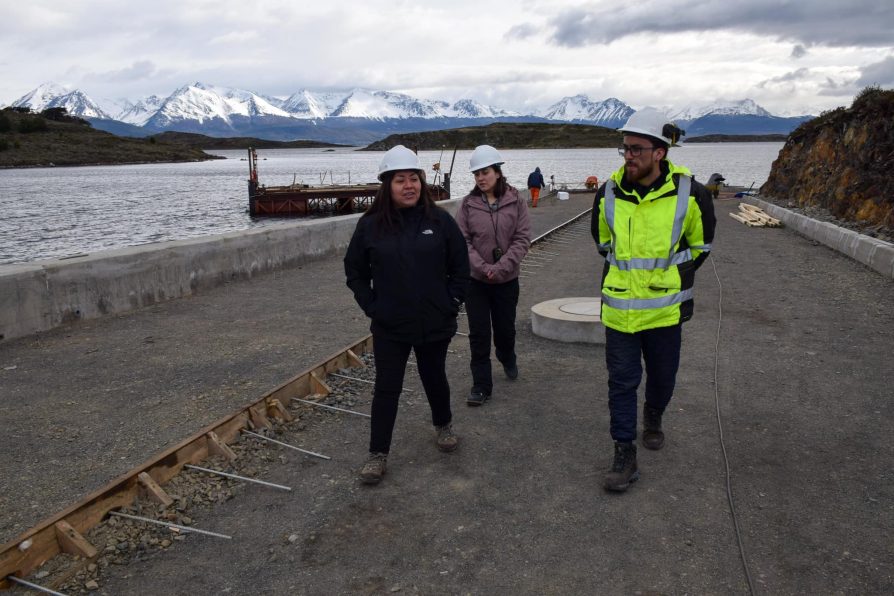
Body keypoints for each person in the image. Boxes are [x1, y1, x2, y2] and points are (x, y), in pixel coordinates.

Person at [590, 109, 716, 492]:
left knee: (662, 377)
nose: (628, 156)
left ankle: (655, 415)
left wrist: (665, 281)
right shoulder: (608, 192)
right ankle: (624, 451)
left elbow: (701, 246)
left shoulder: (690, 193)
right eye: (625, 149)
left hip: (665, 312)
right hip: (619, 312)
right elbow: (603, 243)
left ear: (660, 152)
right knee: (622, 383)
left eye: (636, 149)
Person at [344, 145, 470, 485]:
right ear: (387, 185)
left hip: (435, 320)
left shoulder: (439, 221)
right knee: (387, 387)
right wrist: (373, 306)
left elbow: (460, 265)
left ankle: (443, 426)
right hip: (390, 324)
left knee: (434, 376)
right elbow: (354, 271)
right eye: (400, 180)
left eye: (414, 178)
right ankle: (377, 455)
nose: (409, 186)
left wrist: (452, 300)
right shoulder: (370, 226)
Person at [456, 145, 531, 406]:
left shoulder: (517, 201)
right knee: (478, 334)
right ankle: (481, 385)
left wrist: (502, 267)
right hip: (476, 282)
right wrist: (481, 267)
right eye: (476, 173)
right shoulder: (467, 205)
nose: (480, 178)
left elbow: (522, 238)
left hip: (506, 281)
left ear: (498, 172)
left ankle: (506, 354)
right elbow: (461, 241)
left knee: (504, 330)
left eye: (485, 172)